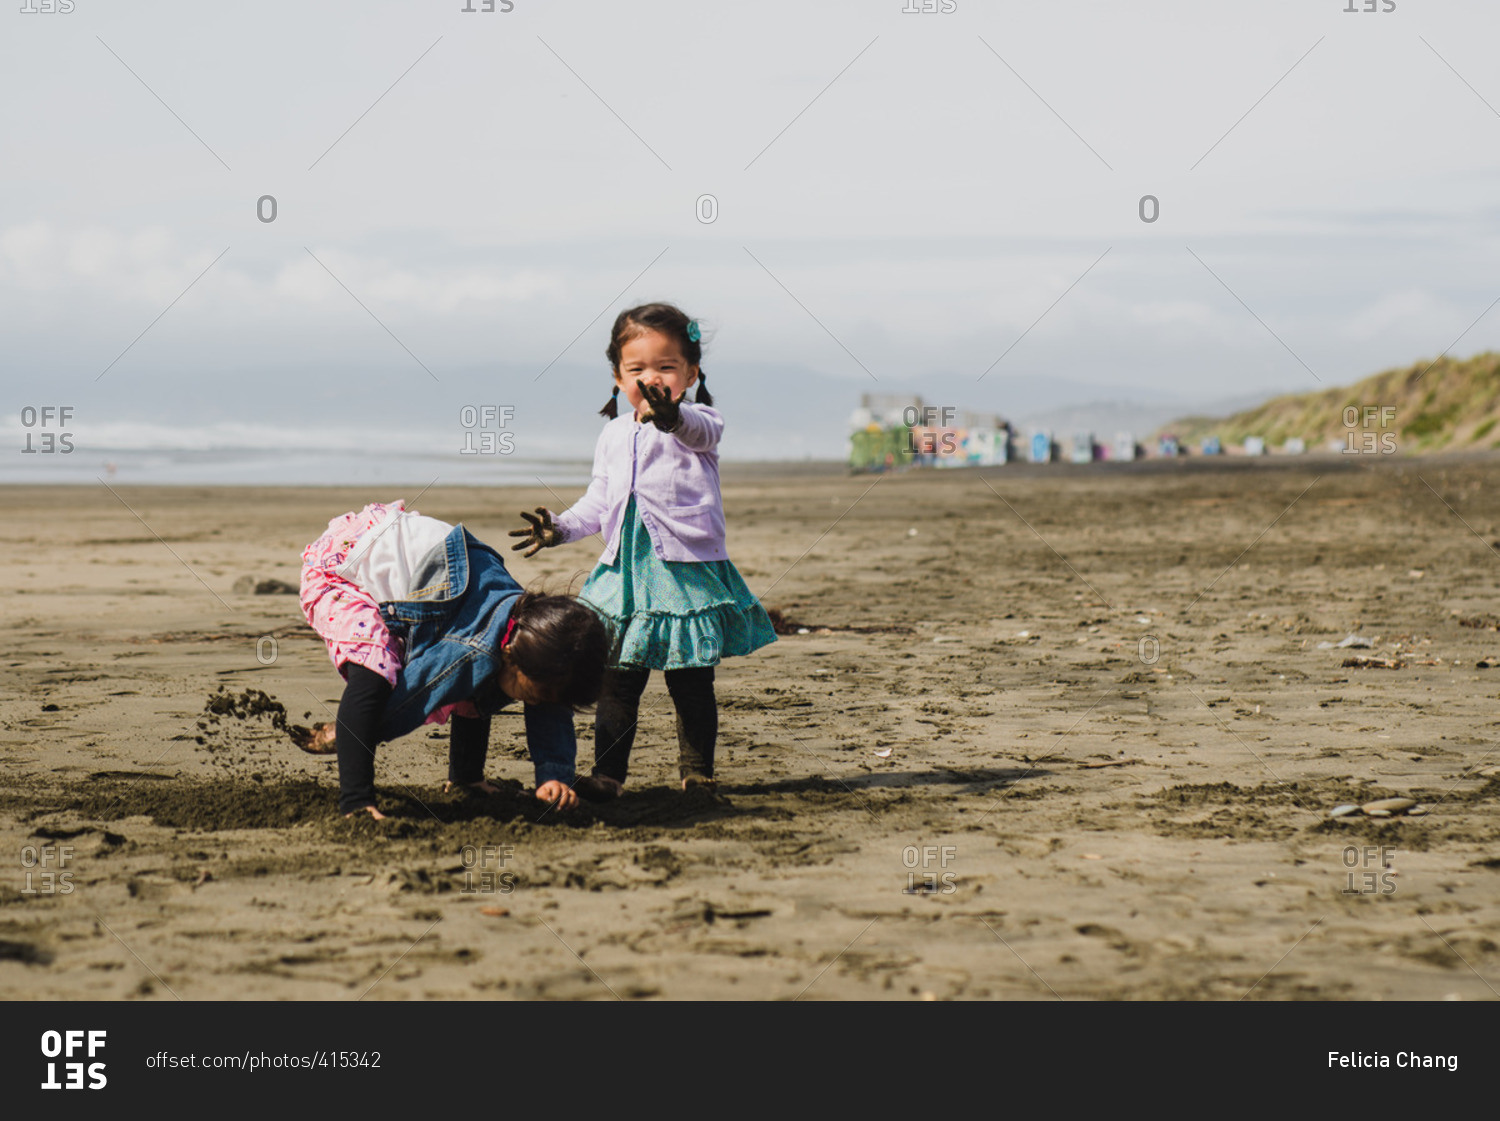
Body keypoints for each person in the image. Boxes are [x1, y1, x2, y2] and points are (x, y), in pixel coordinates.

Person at [510, 303, 776, 793]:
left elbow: (701, 431)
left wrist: (673, 417)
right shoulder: (612, 433)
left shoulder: (698, 422)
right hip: (623, 574)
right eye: (637, 369)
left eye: (666, 367)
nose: (652, 378)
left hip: (684, 570)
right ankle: (608, 775)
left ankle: (697, 771)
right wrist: (560, 528)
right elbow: (598, 499)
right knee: (618, 678)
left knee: (690, 680)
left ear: (691, 373)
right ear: (617, 376)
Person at [299, 501, 612, 819]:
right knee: (376, 670)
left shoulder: (529, 631)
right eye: (539, 695)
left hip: (405, 554)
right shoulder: (469, 653)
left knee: (487, 680)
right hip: (343, 567)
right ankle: (356, 802)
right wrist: (351, 730)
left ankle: (466, 777)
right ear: (511, 655)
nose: (541, 703)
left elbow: (550, 706)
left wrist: (553, 775)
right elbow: (410, 699)